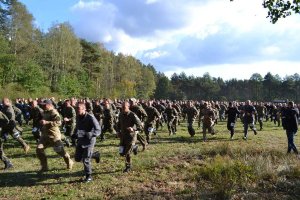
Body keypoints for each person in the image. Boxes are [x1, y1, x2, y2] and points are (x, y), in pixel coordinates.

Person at [36, 100, 74, 173]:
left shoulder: (54, 112)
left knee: (60, 151)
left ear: (49, 105)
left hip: (54, 136)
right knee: (39, 149)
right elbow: (43, 118)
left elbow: (59, 122)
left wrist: (46, 122)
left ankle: (69, 162)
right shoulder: (44, 112)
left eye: (44, 105)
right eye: (42, 105)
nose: (43, 106)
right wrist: (41, 121)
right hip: (45, 135)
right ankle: (44, 167)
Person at [73, 102, 101, 183]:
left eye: (78, 109)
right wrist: (75, 134)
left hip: (90, 140)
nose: (77, 111)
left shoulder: (90, 117)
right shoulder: (78, 116)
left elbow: (98, 130)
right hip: (81, 139)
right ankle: (95, 155)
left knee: (86, 159)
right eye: (76, 109)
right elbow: (78, 126)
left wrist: (91, 134)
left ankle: (89, 176)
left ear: (84, 109)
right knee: (77, 158)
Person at [117, 101, 143, 173]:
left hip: (131, 137)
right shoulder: (121, 114)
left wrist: (133, 128)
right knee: (121, 153)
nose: (122, 108)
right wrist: (118, 131)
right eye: (121, 107)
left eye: (124, 107)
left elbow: (140, 126)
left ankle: (128, 167)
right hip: (123, 137)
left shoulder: (132, 115)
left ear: (128, 107)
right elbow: (118, 124)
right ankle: (135, 147)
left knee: (127, 153)